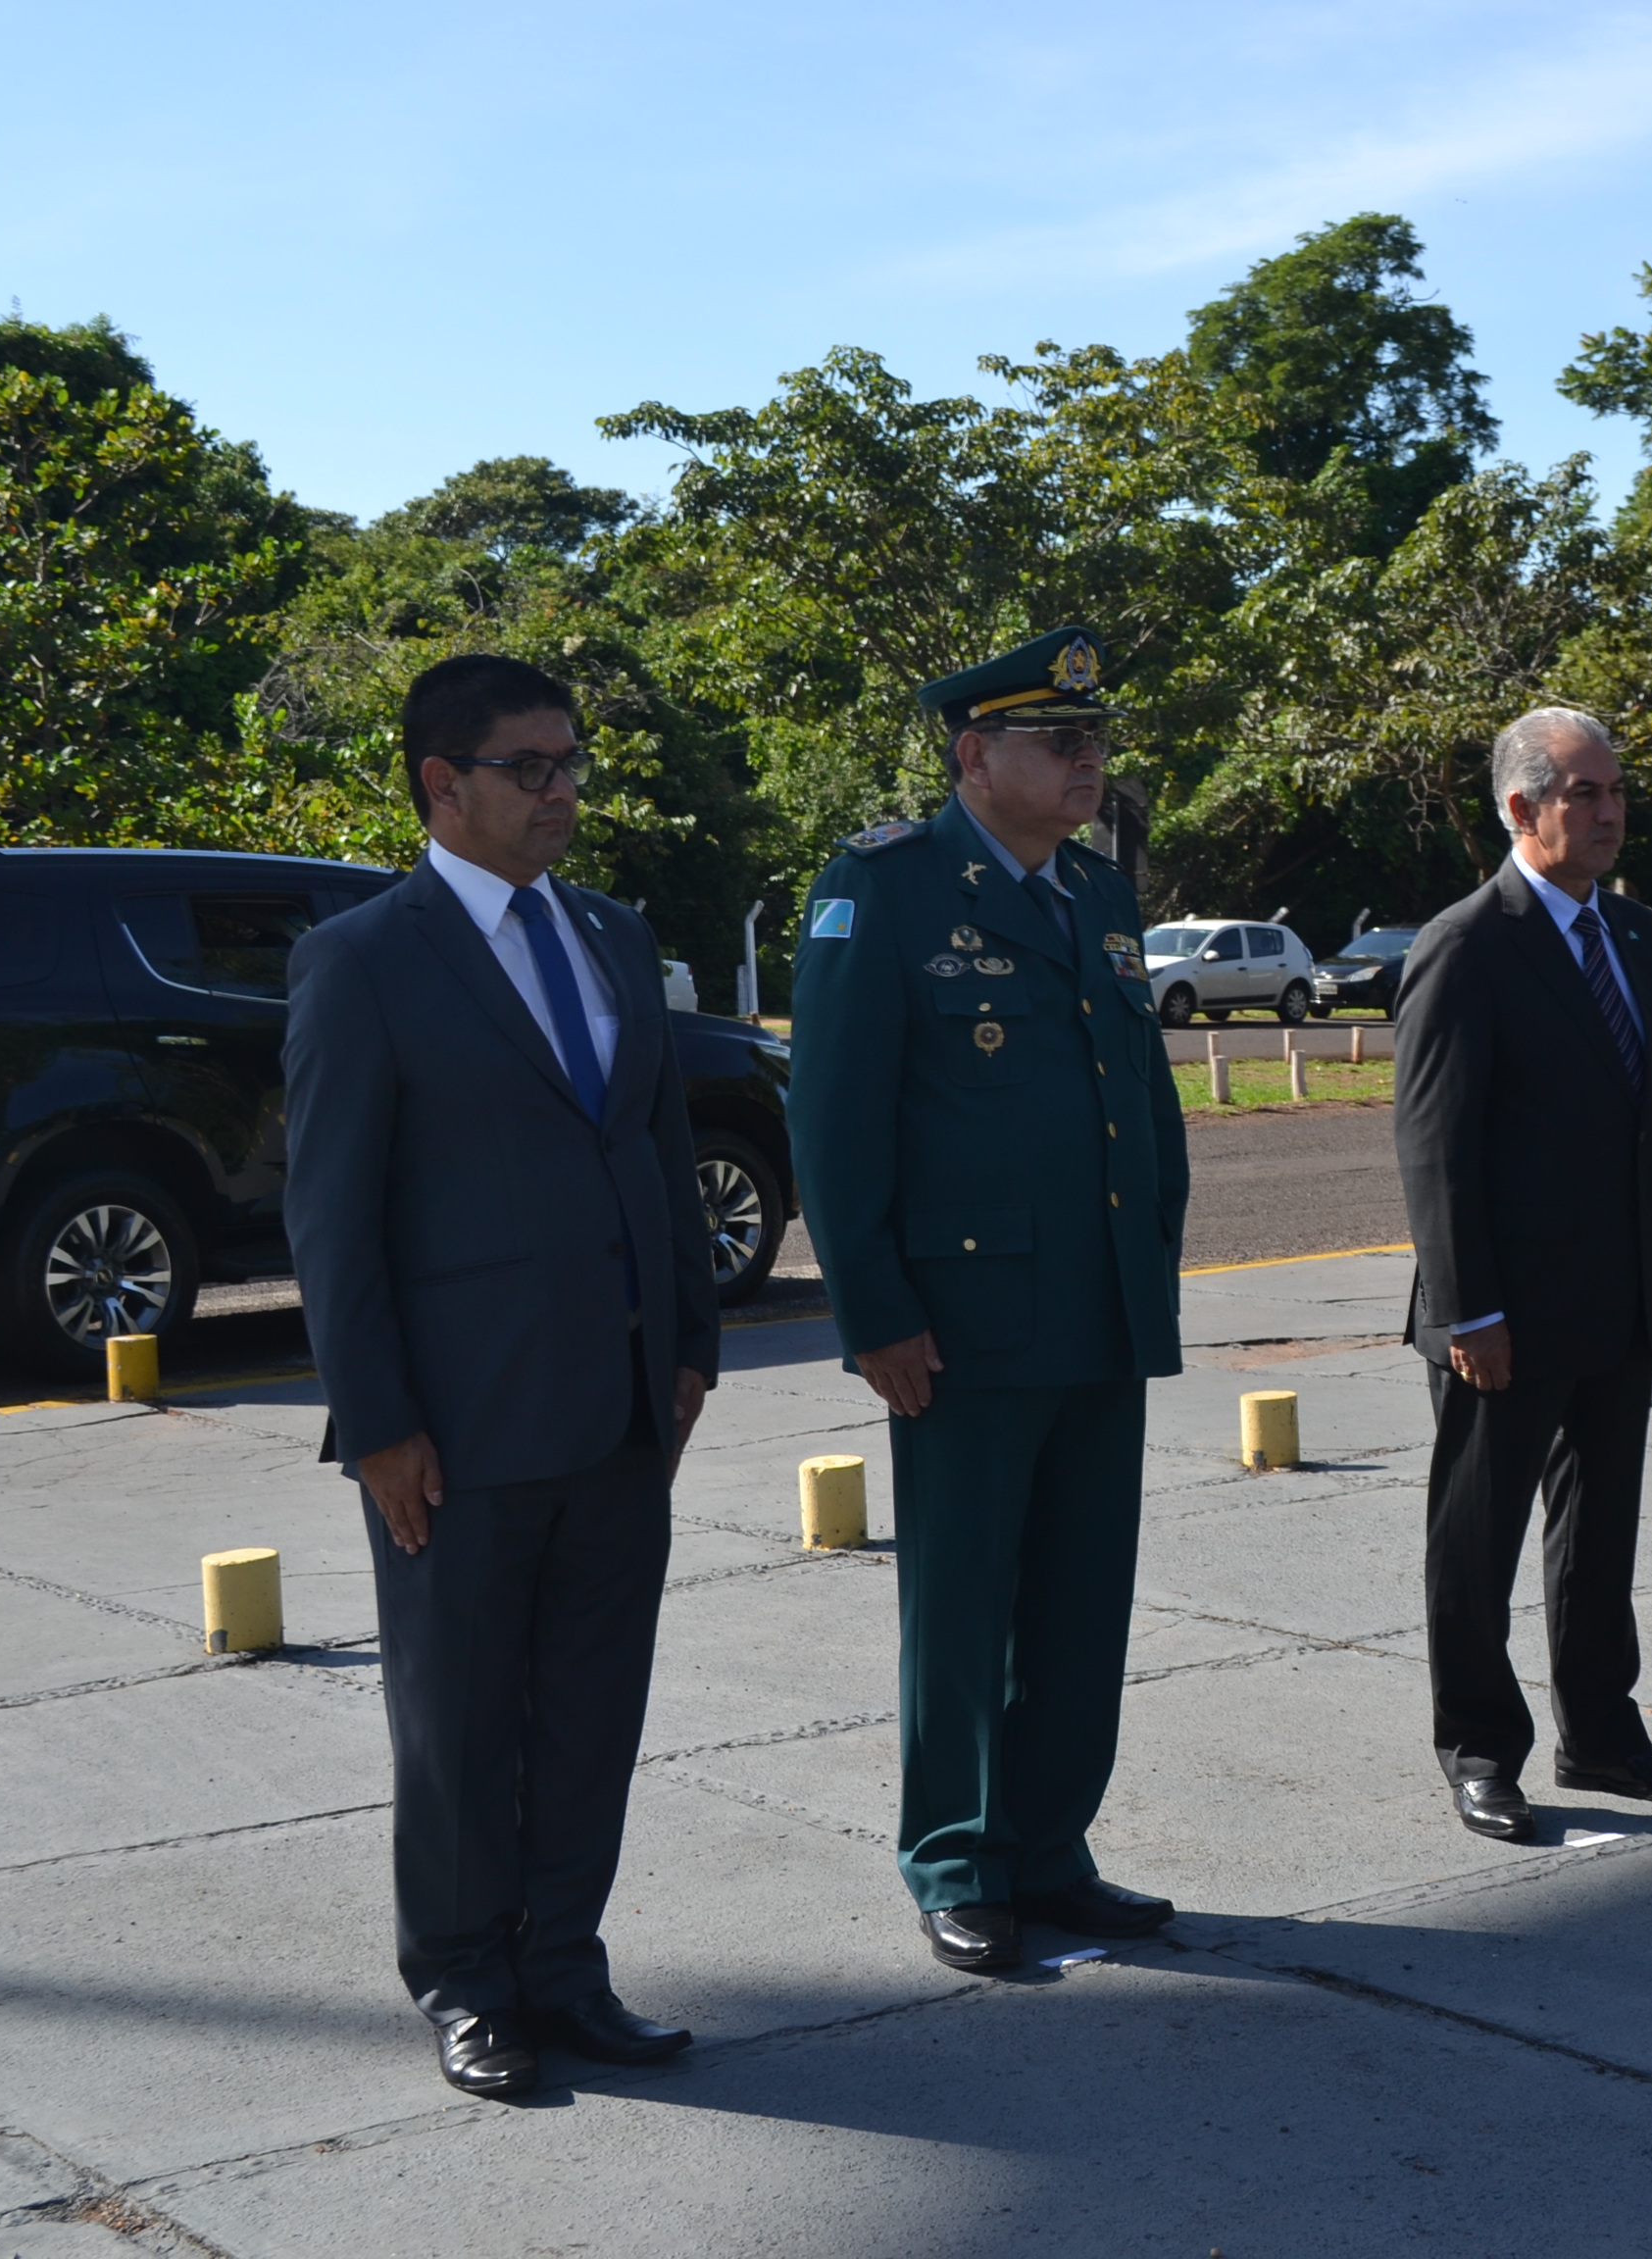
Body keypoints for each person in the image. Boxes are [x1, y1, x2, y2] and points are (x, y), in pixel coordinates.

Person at [283, 653, 721, 2100]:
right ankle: (468, 1981)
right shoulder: (364, 959)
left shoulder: (611, 933)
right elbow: (332, 1217)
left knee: (593, 1709)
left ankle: (565, 1969)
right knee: (461, 1722)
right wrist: (378, 1422)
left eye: (571, 763)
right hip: (458, 1429)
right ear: (441, 784)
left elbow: (657, 1150)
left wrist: (692, 1346)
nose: (562, 792)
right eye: (529, 768)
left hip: (622, 1409)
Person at [784, 626, 1191, 1974]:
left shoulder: (1101, 894)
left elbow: (1143, 1106)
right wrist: (874, 1311)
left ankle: (1051, 1849)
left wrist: (1153, 1271)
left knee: (1083, 1600)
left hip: (1100, 1306)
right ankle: (957, 1857)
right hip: (962, 1321)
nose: (1088, 762)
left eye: (1095, 741)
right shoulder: (883, 888)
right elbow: (835, 1123)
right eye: (1058, 741)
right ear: (974, 755)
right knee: (963, 1606)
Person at [1394, 706, 1652, 1844]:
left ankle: (1603, 1734)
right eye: (1586, 793)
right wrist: (1467, 1307)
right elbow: (1436, 1147)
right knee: (1476, 1541)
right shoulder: (1467, 943)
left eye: (1617, 791)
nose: (1610, 811)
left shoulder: (1632, 932)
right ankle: (1481, 1748)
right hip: (1504, 1310)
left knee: (1599, 1532)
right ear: (1521, 808)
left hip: (1618, 1297)